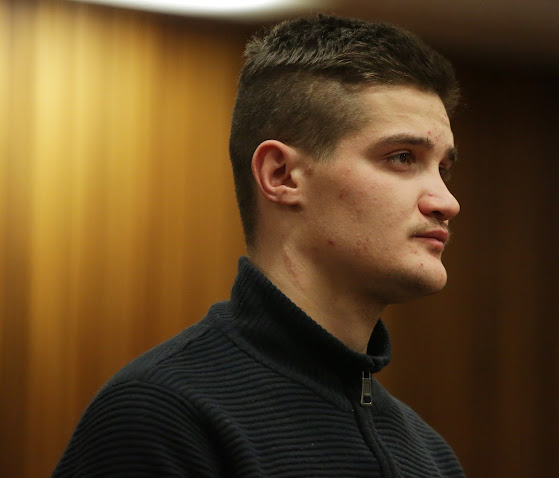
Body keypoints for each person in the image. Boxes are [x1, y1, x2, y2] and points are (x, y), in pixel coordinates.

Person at [53, 13, 463, 477]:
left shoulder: (431, 457)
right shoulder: (162, 414)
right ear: (281, 176)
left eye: (442, 169)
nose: (446, 202)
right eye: (402, 158)